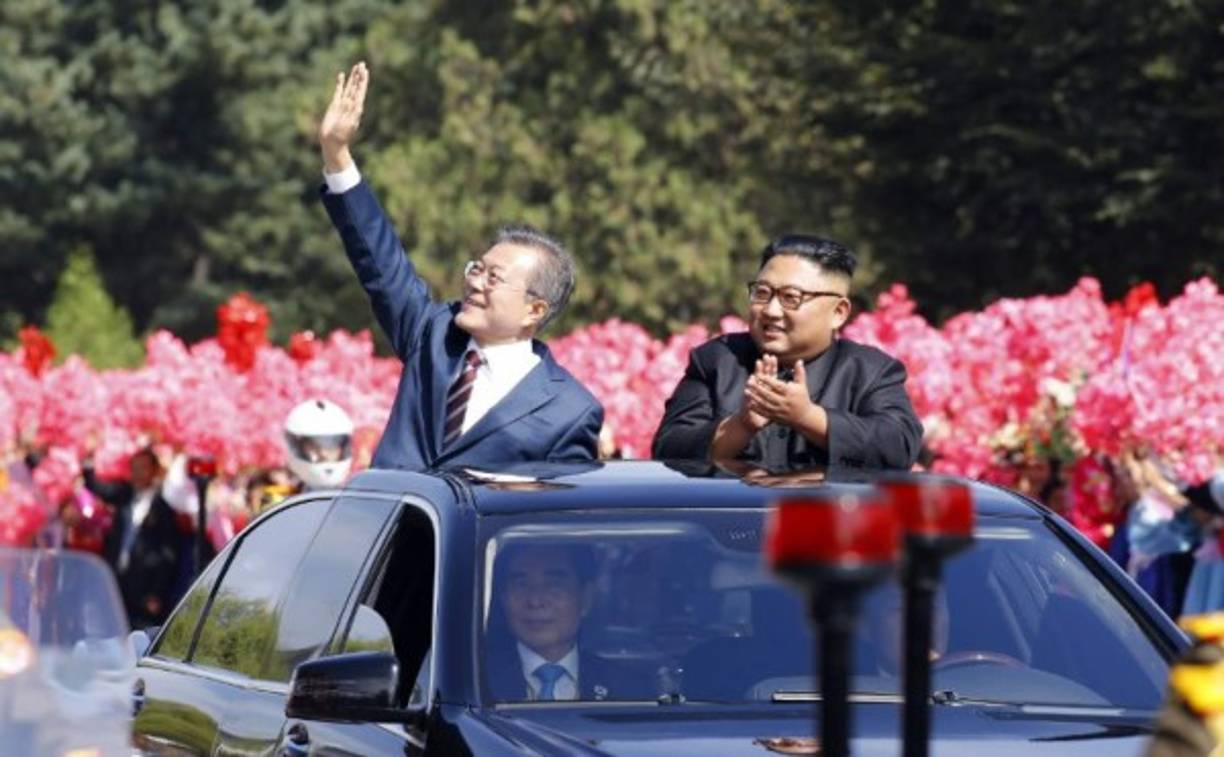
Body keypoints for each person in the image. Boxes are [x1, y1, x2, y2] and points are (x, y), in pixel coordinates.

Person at [317, 62, 603, 470]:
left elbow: (554, 522)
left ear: (534, 309)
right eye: (477, 268)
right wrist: (337, 155)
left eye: (494, 277)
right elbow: (380, 263)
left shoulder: (568, 410)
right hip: (388, 530)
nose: (475, 283)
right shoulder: (431, 333)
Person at [652, 234, 922, 469]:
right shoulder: (717, 360)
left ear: (838, 313)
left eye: (790, 298)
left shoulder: (872, 372)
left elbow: (898, 448)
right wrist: (740, 426)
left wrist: (808, 417)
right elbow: (668, 449)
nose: (770, 310)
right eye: (762, 293)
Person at [485, 543, 647, 702]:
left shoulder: (631, 689)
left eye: (554, 585)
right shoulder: (475, 681)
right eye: (521, 584)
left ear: (586, 599)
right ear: (503, 598)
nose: (535, 601)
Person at [81, 448, 187, 629]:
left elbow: (168, 553)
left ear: (154, 471)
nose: (137, 474)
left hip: (144, 592)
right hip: (117, 584)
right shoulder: (124, 494)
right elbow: (97, 487)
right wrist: (89, 459)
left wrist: (157, 593)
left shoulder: (165, 505)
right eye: (134, 468)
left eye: (143, 468)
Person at [283, 398, 354, 491]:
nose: (324, 454)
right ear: (295, 447)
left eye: (331, 447)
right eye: (314, 447)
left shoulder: (358, 497)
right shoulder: (278, 499)